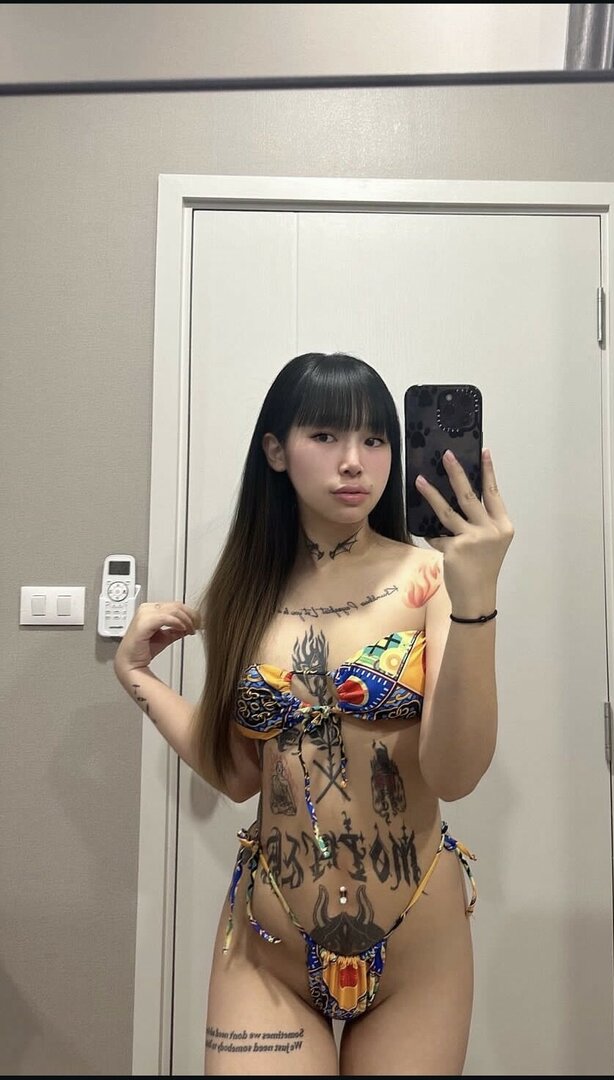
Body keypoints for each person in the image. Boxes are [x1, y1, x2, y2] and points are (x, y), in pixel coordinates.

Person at [114, 352, 514, 1075]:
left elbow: (455, 774)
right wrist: (137, 677)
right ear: (276, 450)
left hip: (416, 950)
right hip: (268, 950)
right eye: (326, 436)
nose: (354, 461)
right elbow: (239, 775)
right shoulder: (244, 592)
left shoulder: (434, 578)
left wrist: (478, 597)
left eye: (375, 439)